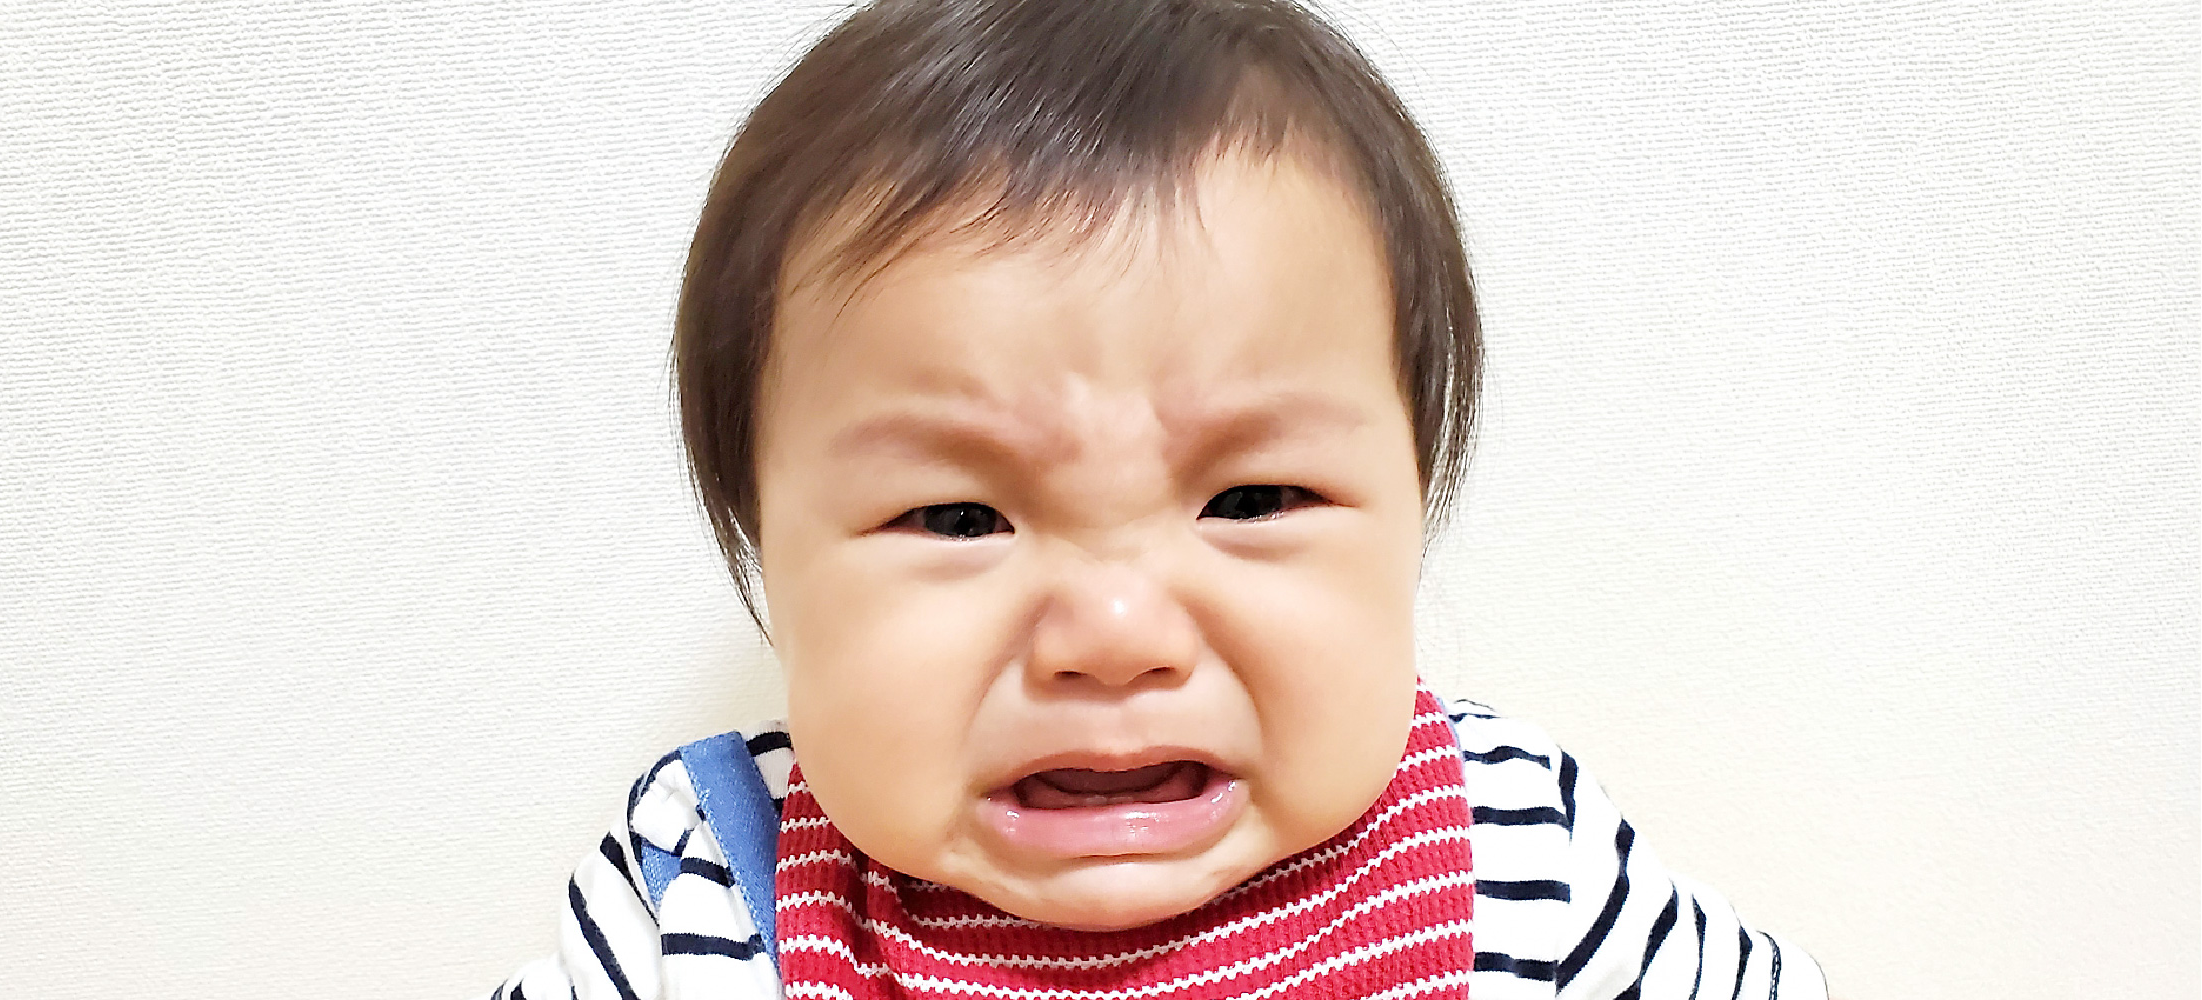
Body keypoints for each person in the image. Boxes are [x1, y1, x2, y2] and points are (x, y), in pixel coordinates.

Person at [489, 0, 1830, 996]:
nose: (1117, 634)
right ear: (766, 560)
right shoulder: (709, 898)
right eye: (958, 519)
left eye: (1253, 498)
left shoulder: (1518, 856)